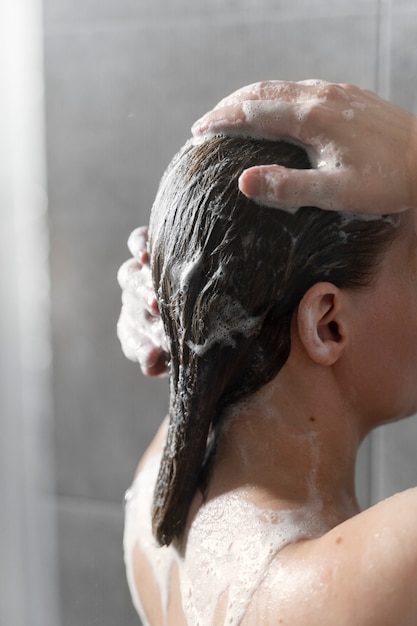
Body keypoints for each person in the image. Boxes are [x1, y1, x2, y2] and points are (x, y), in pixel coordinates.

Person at [119, 99, 417, 624]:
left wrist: (186, 304)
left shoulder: (158, 496)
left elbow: (218, 317)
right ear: (327, 324)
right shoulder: (380, 576)